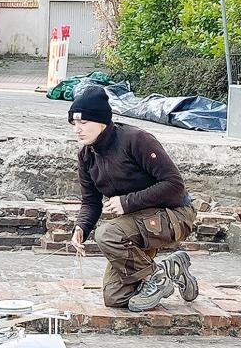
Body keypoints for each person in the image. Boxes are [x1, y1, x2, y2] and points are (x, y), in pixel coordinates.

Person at [68, 86, 199, 312]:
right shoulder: (87, 156)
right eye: (74, 124)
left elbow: (175, 186)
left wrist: (126, 202)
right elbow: (91, 201)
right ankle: (170, 269)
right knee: (115, 297)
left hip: (175, 215)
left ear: (102, 122)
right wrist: (82, 226)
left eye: (84, 123)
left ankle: (155, 278)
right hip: (136, 226)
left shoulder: (136, 140)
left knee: (107, 234)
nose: (78, 130)